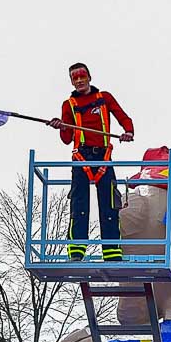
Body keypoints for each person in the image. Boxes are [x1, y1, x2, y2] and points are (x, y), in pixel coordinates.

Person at [48, 61, 134, 262]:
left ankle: (112, 252)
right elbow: (66, 139)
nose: (79, 80)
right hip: (81, 157)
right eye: (75, 78)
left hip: (103, 156)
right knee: (79, 203)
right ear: (71, 81)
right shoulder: (69, 105)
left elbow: (123, 117)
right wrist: (62, 127)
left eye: (82, 76)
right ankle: (76, 252)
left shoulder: (104, 98)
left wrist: (128, 132)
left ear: (89, 77)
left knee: (109, 203)